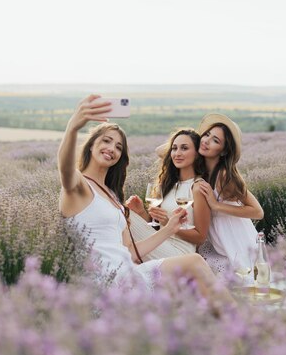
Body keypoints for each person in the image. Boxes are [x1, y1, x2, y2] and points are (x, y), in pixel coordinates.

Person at [58, 95, 232, 307]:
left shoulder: (112, 197)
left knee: (195, 263)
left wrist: (169, 229)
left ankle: (233, 323)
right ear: (91, 145)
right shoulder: (79, 186)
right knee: (193, 269)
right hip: (108, 281)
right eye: (106, 141)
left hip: (129, 271)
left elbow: (130, 251)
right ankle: (237, 324)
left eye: (119, 147)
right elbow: (65, 170)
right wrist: (73, 127)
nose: (112, 149)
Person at [194, 113, 264, 284]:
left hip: (236, 240)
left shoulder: (224, 176)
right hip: (219, 241)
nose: (207, 141)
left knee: (247, 285)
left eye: (215, 141)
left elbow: (257, 212)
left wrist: (216, 205)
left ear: (224, 151)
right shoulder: (201, 170)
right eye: (207, 135)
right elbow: (162, 152)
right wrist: (192, 139)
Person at [126, 129, 211, 259]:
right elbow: (158, 226)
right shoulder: (169, 184)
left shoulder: (197, 187)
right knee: (125, 214)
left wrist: (169, 225)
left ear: (197, 153)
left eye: (184, 148)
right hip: (160, 244)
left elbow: (200, 237)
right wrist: (142, 213)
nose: (177, 153)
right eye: (174, 148)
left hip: (179, 252)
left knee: (121, 213)